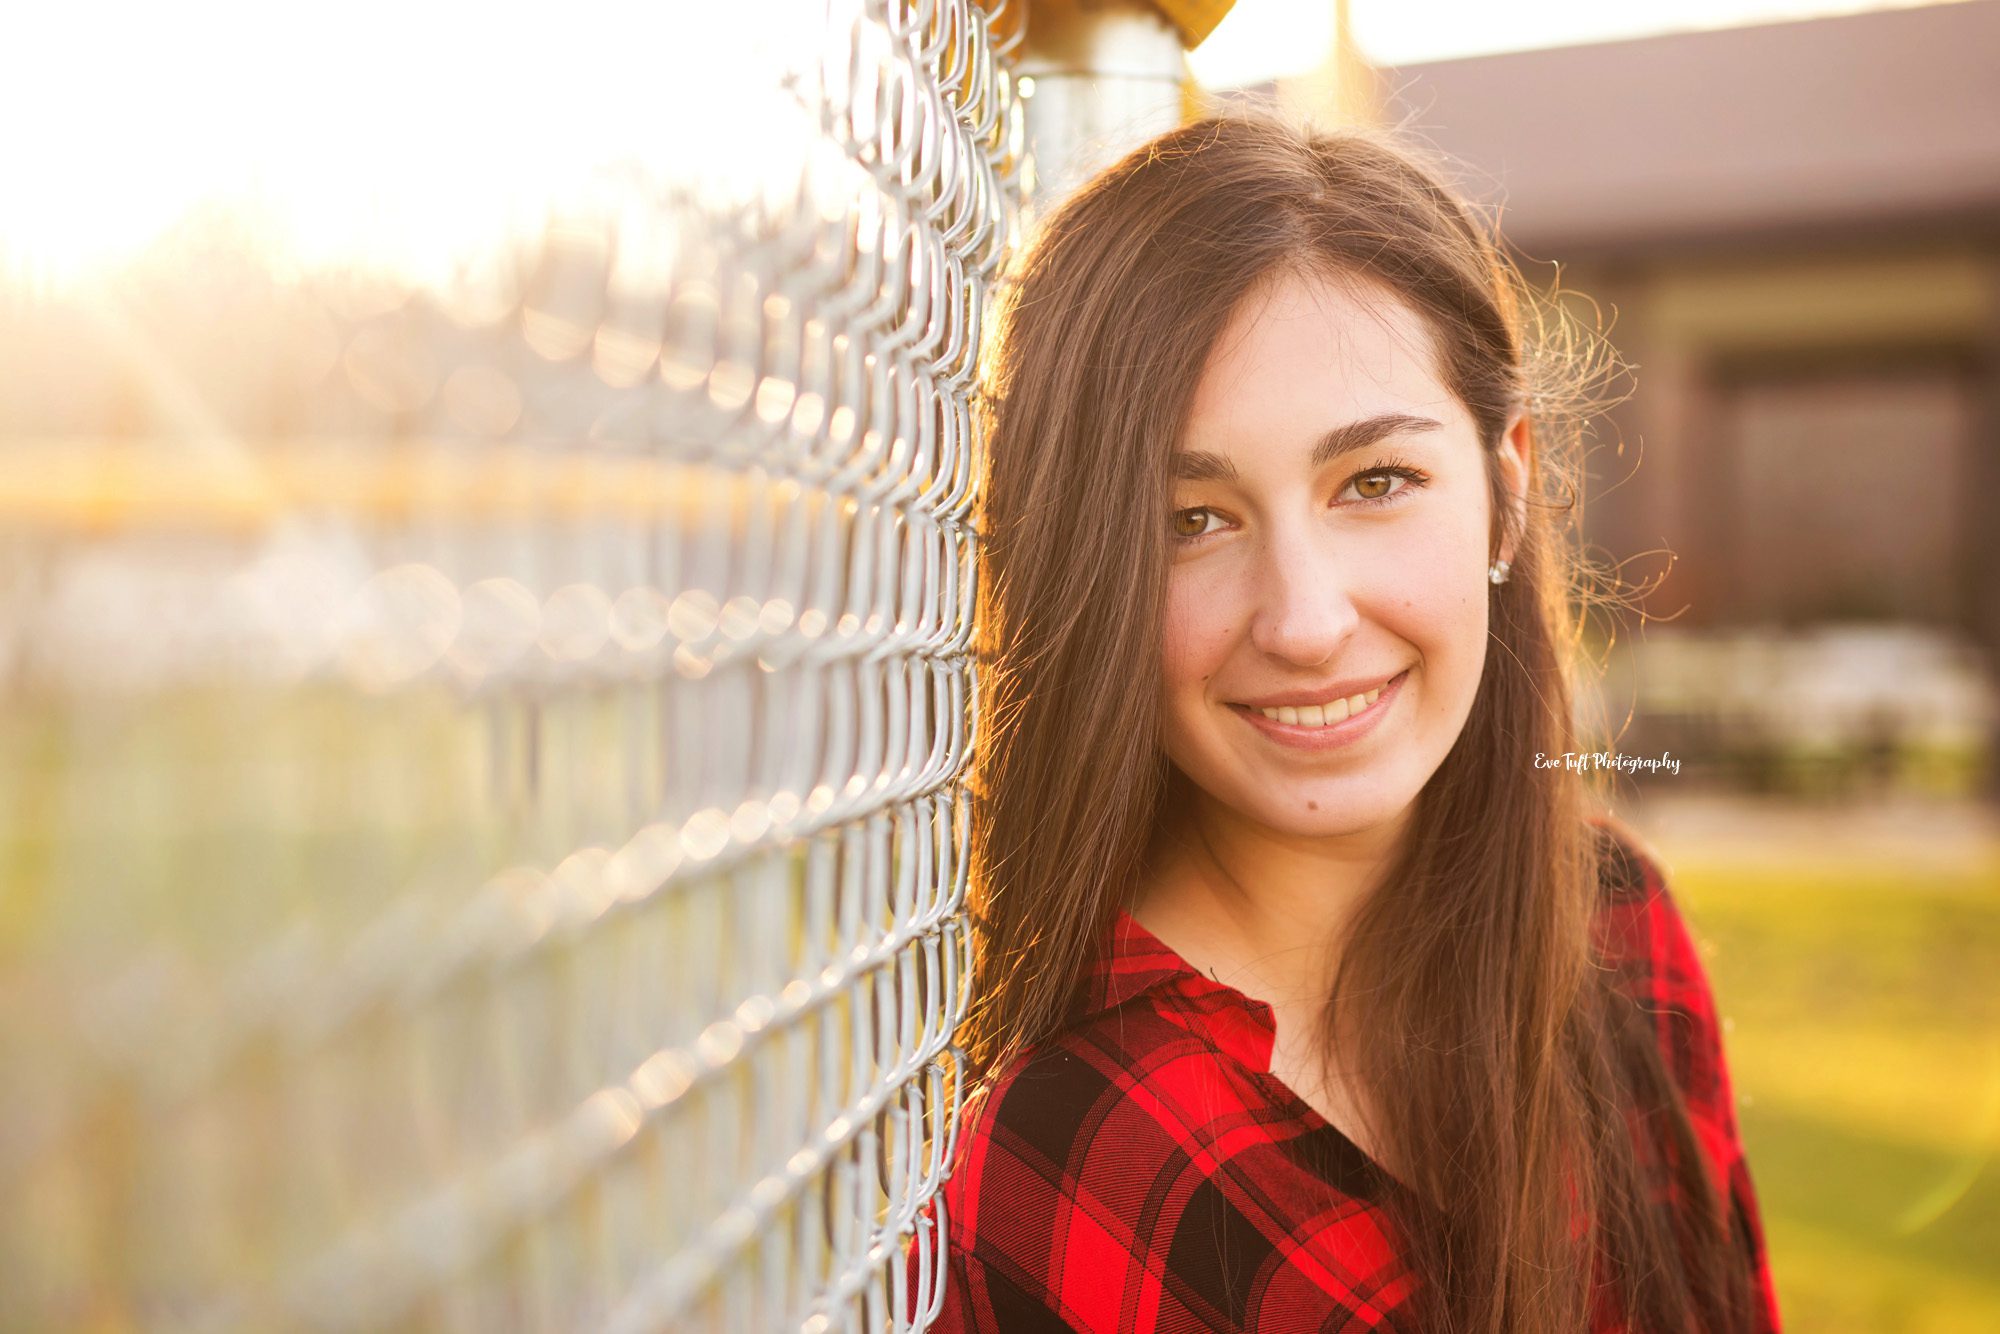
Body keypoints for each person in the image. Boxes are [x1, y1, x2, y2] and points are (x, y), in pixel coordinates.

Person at [900, 110, 1781, 1333]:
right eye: (1189, 519)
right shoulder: (1081, 1143)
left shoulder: (1615, 927)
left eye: (1373, 482)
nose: (1304, 622)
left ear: (1504, 492)